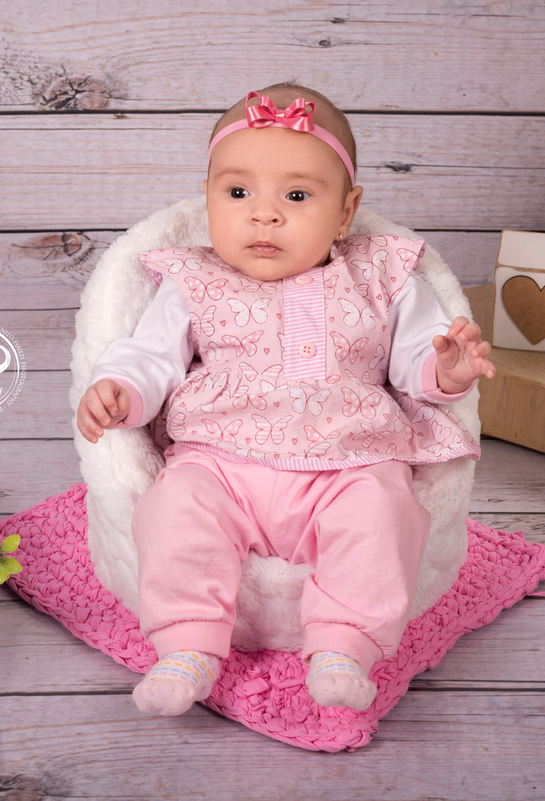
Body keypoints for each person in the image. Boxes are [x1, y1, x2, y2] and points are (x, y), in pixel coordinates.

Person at [76, 83, 495, 716]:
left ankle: (342, 644)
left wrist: (447, 368)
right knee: (174, 507)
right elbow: (149, 355)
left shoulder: (381, 273)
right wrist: (121, 391)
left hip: (348, 461)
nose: (264, 215)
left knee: (385, 512)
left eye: (296, 196)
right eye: (238, 193)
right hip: (220, 461)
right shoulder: (194, 280)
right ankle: (186, 645)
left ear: (346, 212)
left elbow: (415, 361)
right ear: (209, 195)